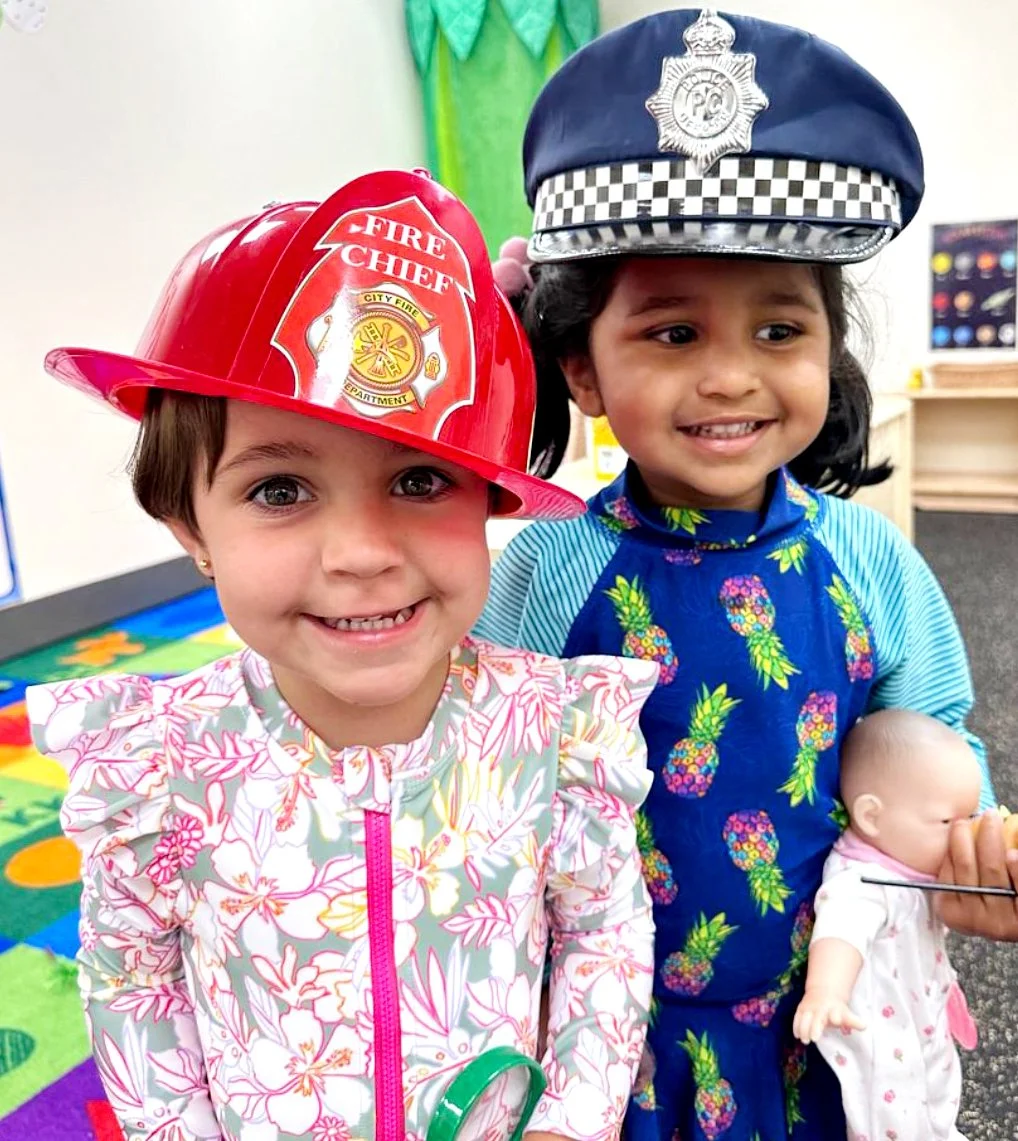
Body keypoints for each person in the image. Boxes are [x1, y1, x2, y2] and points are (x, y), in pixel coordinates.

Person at [27, 169, 658, 1141]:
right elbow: (133, 978)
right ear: (188, 523)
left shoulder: (553, 733)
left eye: (418, 478)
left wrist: (569, 1121)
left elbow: (601, 939)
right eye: (279, 490)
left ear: (489, 499)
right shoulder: (159, 764)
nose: (362, 552)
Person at [475, 9, 995, 1139]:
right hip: (611, 1020)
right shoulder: (546, 572)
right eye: (671, 334)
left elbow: (934, 743)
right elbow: (488, 776)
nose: (729, 377)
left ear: (828, 347)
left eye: (777, 330)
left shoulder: (867, 562)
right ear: (583, 366)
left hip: (825, 1007)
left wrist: (970, 840)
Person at [793, 709, 982, 1141]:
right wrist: (826, 992)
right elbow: (841, 930)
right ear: (873, 816)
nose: (962, 836)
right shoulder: (862, 879)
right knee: (893, 1117)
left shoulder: (910, 859)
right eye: (949, 822)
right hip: (881, 1041)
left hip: (920, 1019)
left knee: (936, 1087)